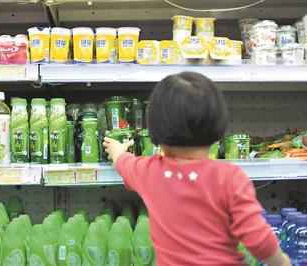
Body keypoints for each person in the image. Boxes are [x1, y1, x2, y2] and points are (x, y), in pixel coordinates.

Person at [103, 72, 291, 266]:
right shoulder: (229, 178)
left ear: (155, 127)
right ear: (217, 124)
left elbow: (123, 163)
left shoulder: (149, 171)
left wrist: (117, 150)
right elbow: (258, 238)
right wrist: (282, 262)